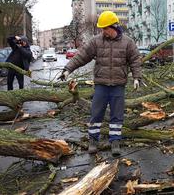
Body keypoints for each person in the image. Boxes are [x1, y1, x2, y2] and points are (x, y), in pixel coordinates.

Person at [58, 11, 142, 156]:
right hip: (101, 85)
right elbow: (81, 56)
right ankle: (93, 140)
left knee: (117, 116)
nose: (103, 31)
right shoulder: (96, 41)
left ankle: (115, 141)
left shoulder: (128, 42)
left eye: (105, 28)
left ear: (114, 27)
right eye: (102, 28)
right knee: (96, 114)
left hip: (118, 85)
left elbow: (135, 61)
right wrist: (67, 70)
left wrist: (137, 78)